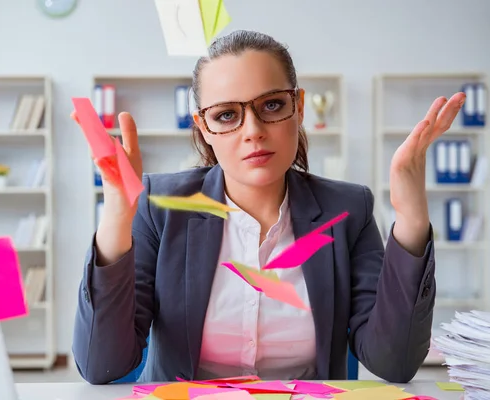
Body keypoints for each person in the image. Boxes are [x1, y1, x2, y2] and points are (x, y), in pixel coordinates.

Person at [72, 30, 465, 385]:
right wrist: (116, 221)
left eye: (272, 105)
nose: (253, 130)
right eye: (227, 115)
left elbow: (393, 363)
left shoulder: (348, 210)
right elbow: (103, 365)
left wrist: (412, 216)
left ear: (299, 106)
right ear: (204, 127)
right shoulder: (161, 207)